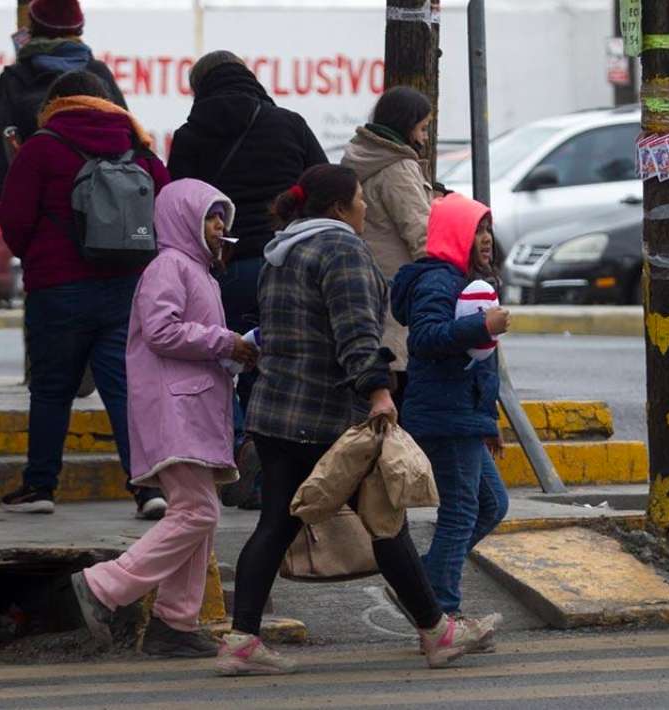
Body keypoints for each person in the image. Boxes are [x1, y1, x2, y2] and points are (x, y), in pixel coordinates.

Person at [218, 165, 494, 676]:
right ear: (340, 208)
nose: (367, 208)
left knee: (276, 523)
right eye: (362, 199)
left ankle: (241, 641)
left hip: (276, 412)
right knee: (387, 523)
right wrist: (380, 395)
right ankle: (437, 632)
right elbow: (357, 335)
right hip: (325, 417)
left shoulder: (283, 252)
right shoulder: (341, 250)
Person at [70, 179, 256, 658]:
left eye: (222, 219)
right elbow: (161, 330)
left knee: (198, 516)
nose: (220, 228)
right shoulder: (169, 266)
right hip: (175, 411)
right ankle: (105, 585)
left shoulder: (199, 273)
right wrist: (224, 342)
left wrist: (235, 351)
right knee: (199, 511)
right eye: (212, 217)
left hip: (193, 411)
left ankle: (174, 622)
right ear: (184, 220)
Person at [0, 70, 170, 518]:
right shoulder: (140, 148)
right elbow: (166, 210)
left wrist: (38, 258)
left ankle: (40, 488)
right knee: (124, 390)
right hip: (125, 289)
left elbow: (13, 221)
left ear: (54, 104)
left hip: (57, 290)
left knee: (52, 390)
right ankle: (147, 488)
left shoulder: (41, 147)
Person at [168, 51, 328, 510]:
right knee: (268, 361)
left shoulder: (189, 135)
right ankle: (264, 455)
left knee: (220, 359)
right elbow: (318, 185)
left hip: (219, 268)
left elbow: (178, 200)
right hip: (282, 264)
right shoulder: (290, 125)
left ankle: (235, 445)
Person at [390, 192, 511, 623]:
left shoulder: (461, 279)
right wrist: (482, 324)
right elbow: (424, 338)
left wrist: (489, 419)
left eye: (487, 230)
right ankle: (442, 609)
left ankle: (420, 585)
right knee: (461, 511)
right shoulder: (438, 280)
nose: (485, 239)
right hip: (444, 415)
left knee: (492, 504)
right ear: (455, 233)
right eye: (476, 229)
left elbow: (479, 363)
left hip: (463, 413)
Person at [340, 86, 434, 406]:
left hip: (370, 285)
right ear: (406, 124)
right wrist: (441, 280)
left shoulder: (358, 156)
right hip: (401, 292)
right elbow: (420, 233)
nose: (423, 139)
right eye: (422, 128)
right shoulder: (398, 166)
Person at [0, 0, 126, 205]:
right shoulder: (98, 72)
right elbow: (128, 136)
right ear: (79, 28)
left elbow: (0, 146)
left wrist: (2, 201)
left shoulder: (15, 77)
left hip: (39, 206)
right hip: (100, 208)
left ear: (33, 28)